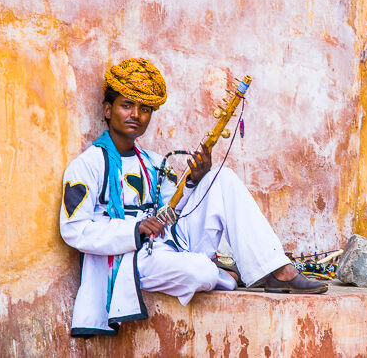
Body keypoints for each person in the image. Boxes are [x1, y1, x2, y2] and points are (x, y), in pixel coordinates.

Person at [59, 58, 326, 337]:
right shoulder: (86, 166)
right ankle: (224, 273)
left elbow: (173, 213)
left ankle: (277, 270)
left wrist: (194, 182)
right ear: (108, 110)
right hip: (129, 258)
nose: (136, 114)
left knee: (221, 177)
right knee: (202, 272)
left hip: (169, 244)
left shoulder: (154, 162)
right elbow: (74, 230)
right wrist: (134, 230)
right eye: (127, 105)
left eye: (145, 109)